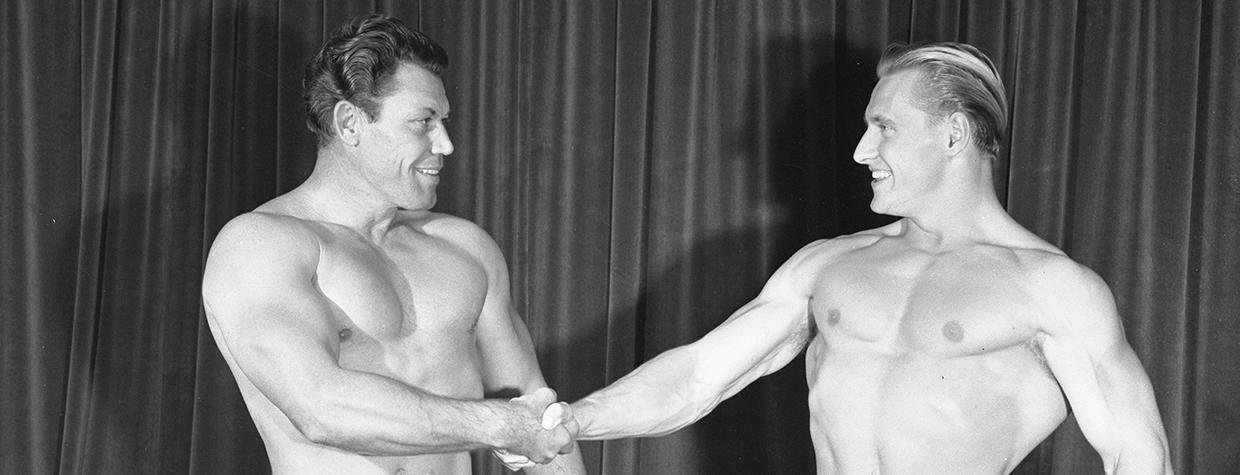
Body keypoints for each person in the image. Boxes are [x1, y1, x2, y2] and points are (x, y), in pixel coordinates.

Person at [505, 42, 1174, 474]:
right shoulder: (826, 265)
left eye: (883, 128)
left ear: (955, 133)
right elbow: (699, 374)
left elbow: (1135, 452)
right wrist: (574, 420)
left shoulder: (1053, 287)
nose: (860, 151)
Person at [201, 14, 583, 475]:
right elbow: (320, 408)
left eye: (443, 121)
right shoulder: (262, 247)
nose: (445, 144)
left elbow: (537, 416)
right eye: (423, 122)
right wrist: (501, 425)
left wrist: (523, 428)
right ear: (350, 123)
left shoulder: (466, 250)